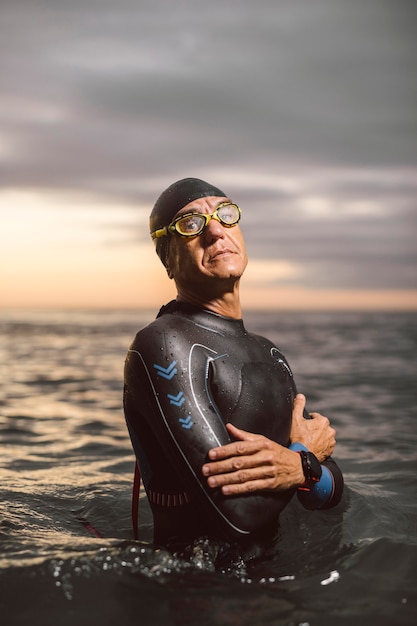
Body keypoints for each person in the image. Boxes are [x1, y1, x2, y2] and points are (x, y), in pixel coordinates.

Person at [123, 177, 344, 553]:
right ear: (167, 260)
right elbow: (235, 519)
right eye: (190, 224)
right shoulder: (164, 345)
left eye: (225, 214)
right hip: (198, 594)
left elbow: (331, 492)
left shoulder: (268, 353)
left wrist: (300, 464)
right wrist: (305, 462)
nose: (215, 232)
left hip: (275, 586)